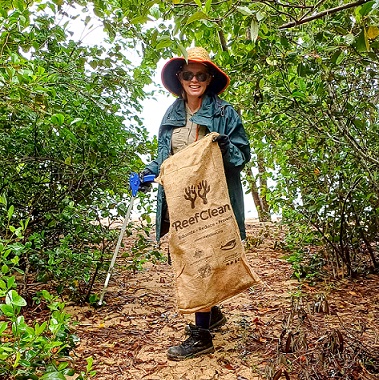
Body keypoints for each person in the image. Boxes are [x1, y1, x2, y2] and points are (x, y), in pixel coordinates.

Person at [140, 47, 251, 360]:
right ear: (180, 78)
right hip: (182, 202)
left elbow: (241, 159)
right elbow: (167, 159)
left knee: (201, 260)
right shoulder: (171, 114)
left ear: (209, 78)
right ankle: (212, 316)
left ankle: (201, 335)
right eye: (188, 74)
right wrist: (146, 174)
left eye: (200, 75)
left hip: (213, 200)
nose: (194, 80)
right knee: (195, 258)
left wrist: (227, 147)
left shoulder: (225, 113)